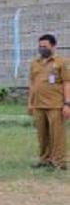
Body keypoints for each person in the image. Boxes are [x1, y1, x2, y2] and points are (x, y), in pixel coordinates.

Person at [27, 34, 69, 171]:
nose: (41, 49)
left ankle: (59, 162)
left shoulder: (61, 62)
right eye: (40, 46)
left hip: (55, 105)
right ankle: (44, 159)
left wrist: (67, 104)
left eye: (45, 46)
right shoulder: (35, 63)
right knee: (42, 135)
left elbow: (67, 83)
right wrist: (30, 103)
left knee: (57, 135)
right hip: (38, 105)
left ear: (53, 46)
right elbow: (32, 84)